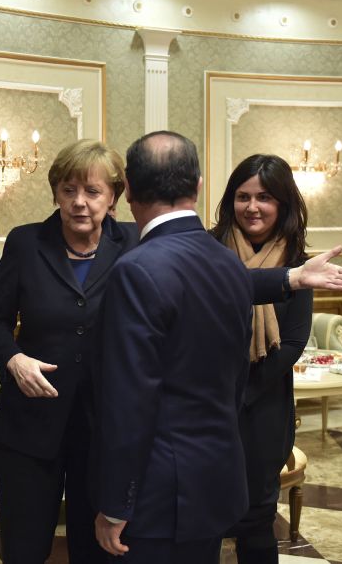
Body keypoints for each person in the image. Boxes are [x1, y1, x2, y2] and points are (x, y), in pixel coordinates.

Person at [92, 131, 253, 563]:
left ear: (126, 192)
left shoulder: (136, 270)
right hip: (216, 477)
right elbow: (238, 378)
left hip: (157, 494)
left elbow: (129, 402)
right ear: (198, 186)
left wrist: (116, 503)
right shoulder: (231, 263)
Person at [0, 139, 136, 563]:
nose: (79, 202)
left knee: (97, 550)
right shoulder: (26, 243)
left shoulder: (134, 243)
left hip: (102, 428)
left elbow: (201, 271)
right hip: (30, 424)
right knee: (25, 547)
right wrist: (13, 359)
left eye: (92, 191)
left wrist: (285, 279)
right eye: (69, 190)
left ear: (114, 196)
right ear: (55, 193)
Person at [210, 155, 314, 563]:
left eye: (264, 197)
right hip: (209, 404)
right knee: (205, 516)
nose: (252, 207)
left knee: (257, 520)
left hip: (264, 409)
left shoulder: (299, 262)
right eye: (242, 196)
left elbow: (293, 342)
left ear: (283, 204)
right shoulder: (208, 248)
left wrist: (245, 388)